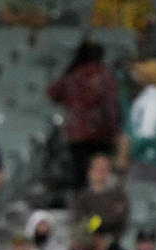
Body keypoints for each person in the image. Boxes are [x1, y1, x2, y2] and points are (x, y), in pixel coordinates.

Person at [48, 40, 120, 190]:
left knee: (81, 175)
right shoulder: (105, 74)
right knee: (102, 175)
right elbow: (110, 106)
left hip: (78, 133)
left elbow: (53, 93)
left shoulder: (72, 74)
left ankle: (82, 207)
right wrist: (114, 131)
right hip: (102, 133)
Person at [117, 59, 156, 175]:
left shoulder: (155, 99)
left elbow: (147, 133)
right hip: (140, 158)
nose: (137, 75)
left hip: (150, 159)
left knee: (142, 191)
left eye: (141, 73)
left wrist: (127, 153)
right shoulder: (144, 98)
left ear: (149, 77)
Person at [73, 153, 130, 239]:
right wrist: (101, 220)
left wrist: (95, 219)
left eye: (104, 169)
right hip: (89, 241)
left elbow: (118, 220)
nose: (101, 173)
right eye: (98, 169)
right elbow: (82, 223)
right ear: (90, 172)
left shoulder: (119, 196)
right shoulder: (82, 197)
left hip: (113, 241)